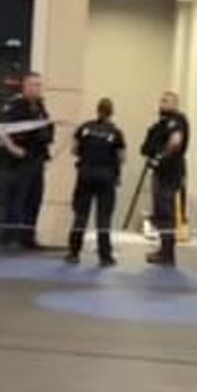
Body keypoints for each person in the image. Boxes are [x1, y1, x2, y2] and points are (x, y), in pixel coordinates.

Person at [65, 98, 126, 267]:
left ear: (97, 110)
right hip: (106, 177)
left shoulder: (85, 128)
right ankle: (105, 256)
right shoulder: (115, 133)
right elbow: (122, 157)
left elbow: (74, 149)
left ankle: (73, 253)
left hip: (85, 175)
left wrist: (87, 155)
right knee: (104, 218)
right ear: (111, 112)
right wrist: (117, 173)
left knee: (80, 215)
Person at [0, 72, 54, 250]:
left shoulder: (40, 107)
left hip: (37, 159)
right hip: (19, 161)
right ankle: (9, 238)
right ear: (24, 86)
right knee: (16, 200)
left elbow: (46, 128)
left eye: (39, 85)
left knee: (34, 200)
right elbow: (0, 130)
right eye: (33, 84)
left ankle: (27, 238)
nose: (37, 88)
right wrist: (13, 149)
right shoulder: (14, 106)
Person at [141, 90, 190, 266]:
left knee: (167, 212)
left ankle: (168, 253)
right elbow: (147, 147)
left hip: (170, 171)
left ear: (175, 104)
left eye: (167, 101)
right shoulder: (160, 125)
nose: (163, 103)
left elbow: (176, 141)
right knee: (160, 212)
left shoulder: (177, 120)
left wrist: (160, 157)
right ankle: (163, 249)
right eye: (161, 100)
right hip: (159, 173)